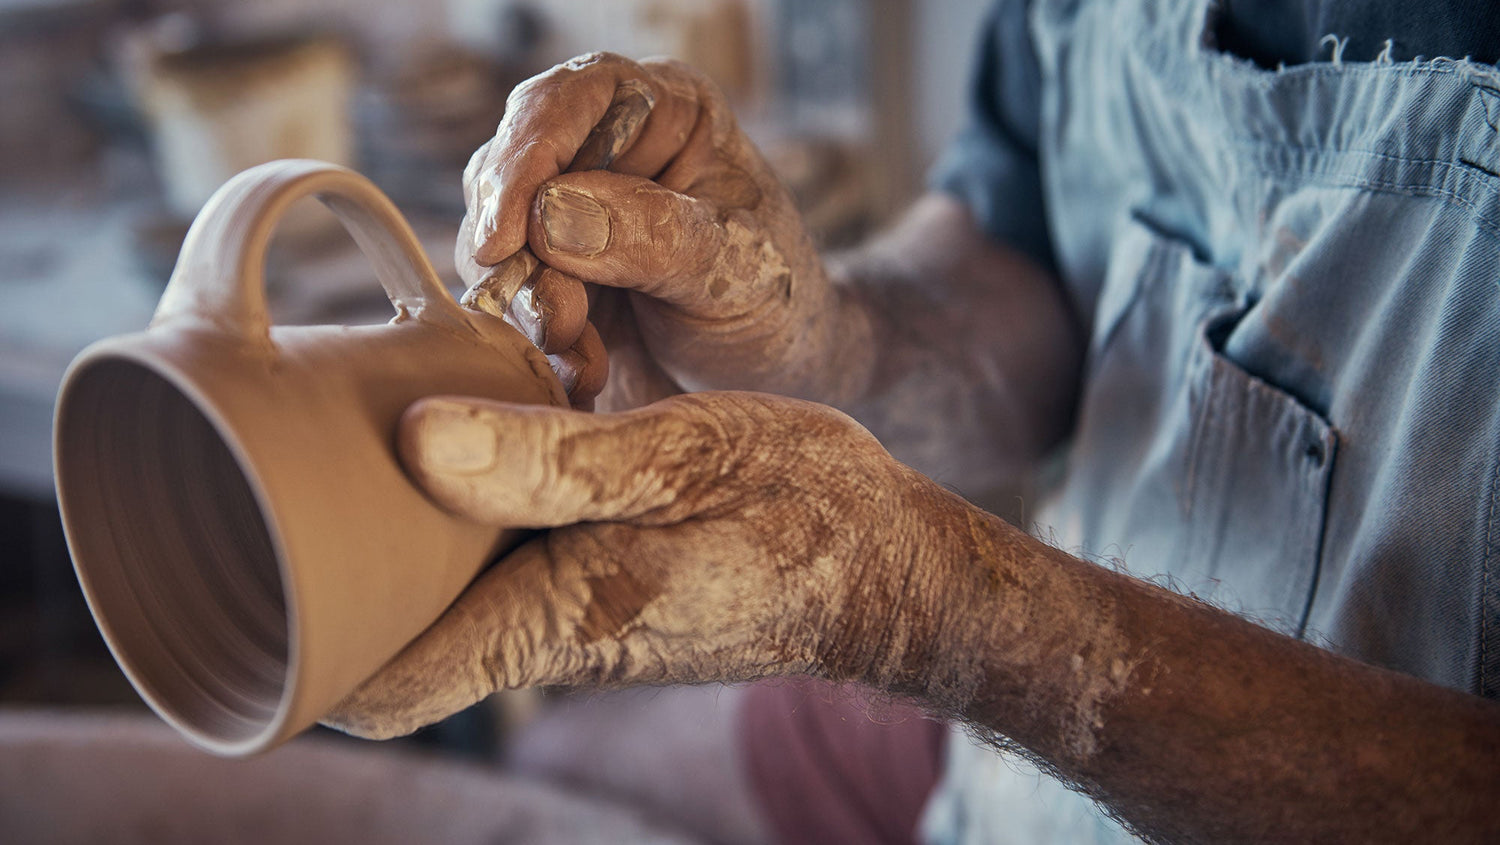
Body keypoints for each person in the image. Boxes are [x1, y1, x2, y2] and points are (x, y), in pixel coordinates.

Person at [325, 0, 1500, 841]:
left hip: (1061, 683)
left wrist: (928, 617)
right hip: (1007, 764)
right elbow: (1027, 258)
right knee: (554, 754)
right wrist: (820, 333)